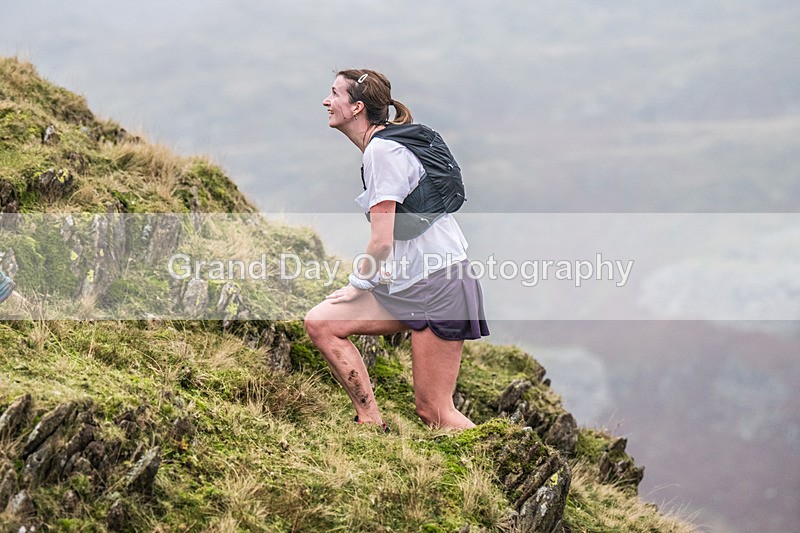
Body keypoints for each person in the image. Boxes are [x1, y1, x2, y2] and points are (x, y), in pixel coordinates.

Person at [304, 69, 489, 431]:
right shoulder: (386, 144)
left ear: (357, 107)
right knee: (321, 322)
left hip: (440, 284)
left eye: (334, 94)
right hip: (410, 282)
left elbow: (382, 239)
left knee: (435, 411)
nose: (327, 101)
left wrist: (359, 284)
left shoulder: (382, 152)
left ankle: (499, 463)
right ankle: (370, 420)